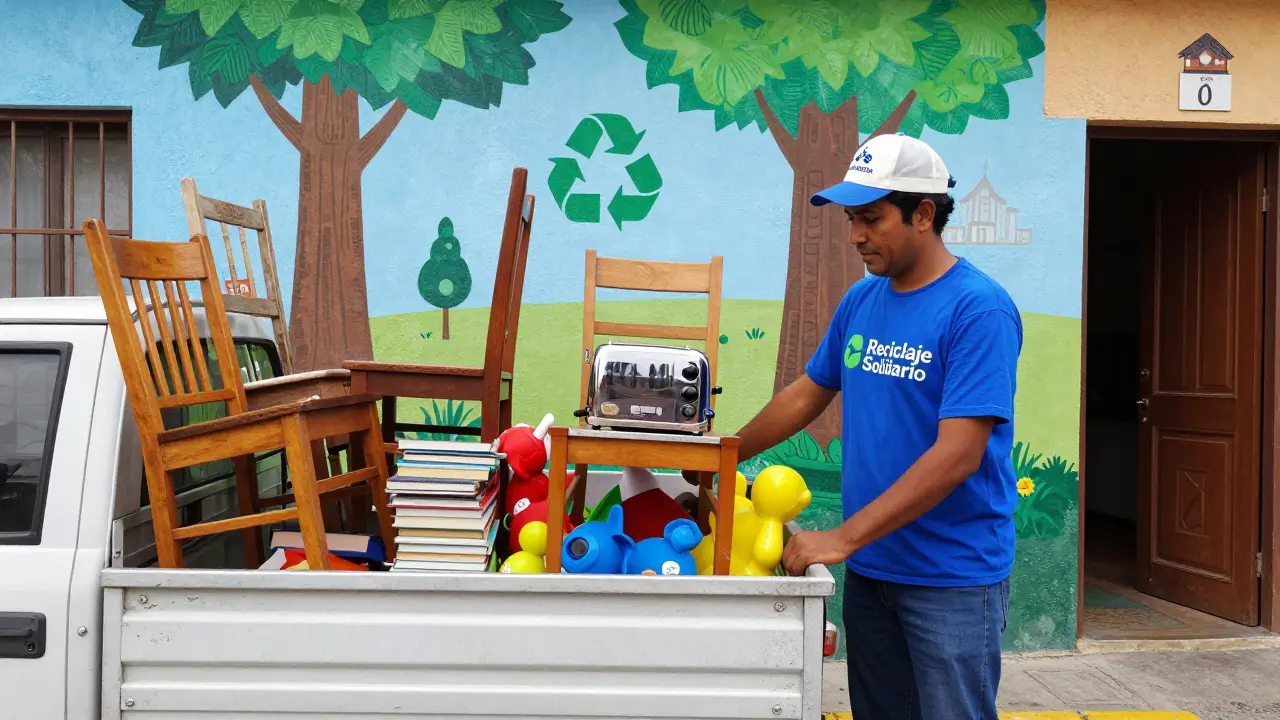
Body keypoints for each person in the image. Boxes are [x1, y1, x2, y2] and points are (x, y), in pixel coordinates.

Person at [688, 133, 1022, 719]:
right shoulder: (863, 301)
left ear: (923, 214)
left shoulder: (979, 310)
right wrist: (722, 455)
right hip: (873, 573)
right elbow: (806, 395)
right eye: (851, 219)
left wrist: (840, 539)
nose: (855, 236)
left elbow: (958, 455)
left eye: (871, 219)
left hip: (951, 579)